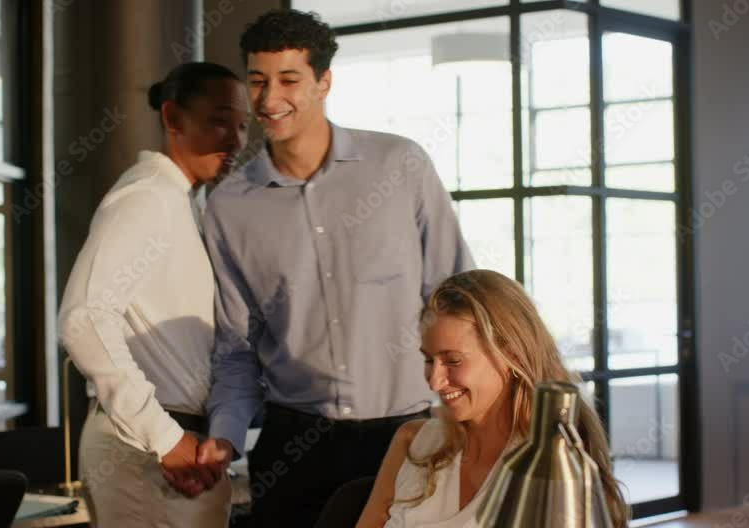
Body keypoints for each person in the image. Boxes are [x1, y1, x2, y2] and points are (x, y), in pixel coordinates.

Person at [192, 9, 475, 527]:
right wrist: (225, 434)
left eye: (288, 80)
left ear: (324, 81)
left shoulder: (401, 166)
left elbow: (457, 299)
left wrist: (474, 412)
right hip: (292, 445)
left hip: (409, 435)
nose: (269, 99)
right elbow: (235, 347)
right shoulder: (230, 205)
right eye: (257, 81)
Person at [57, 62, 248, 528]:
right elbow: (83, 318)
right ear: (173, 118)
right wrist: (164, 437)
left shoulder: (184, 203)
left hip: (177, 444)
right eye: (220, 121)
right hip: (145, 449)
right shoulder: (149, 196)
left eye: (243, 126)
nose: (235, 140)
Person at [355, 270, 629, 528]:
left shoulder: (555, 463)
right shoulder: (413, 442)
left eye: (453, 361)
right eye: (428, 360)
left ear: (510, 354)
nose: (434, 381)